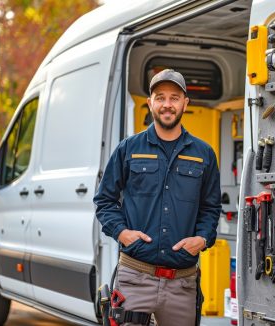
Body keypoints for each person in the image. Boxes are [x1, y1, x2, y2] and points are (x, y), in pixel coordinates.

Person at [93, 69, 221, 326]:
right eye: (160, 97)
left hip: (182, 283)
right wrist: (122, 233)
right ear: (150, 103)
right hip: (135, 277)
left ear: (185, 103)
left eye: (174, 98)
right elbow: (104, 201)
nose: (167, 105)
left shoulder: (203, 154)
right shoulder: (128, 149)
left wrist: (203, 238)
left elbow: (211, 208)